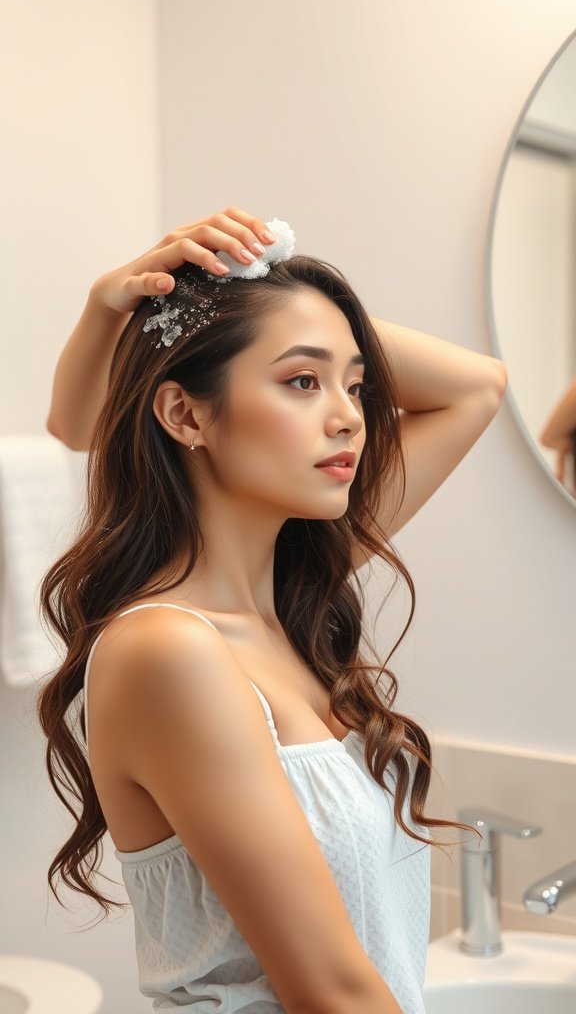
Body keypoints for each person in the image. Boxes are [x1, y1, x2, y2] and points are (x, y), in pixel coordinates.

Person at [38, 206, 507, 1014]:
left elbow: (477, 386)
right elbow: (332, 992)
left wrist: (251, 299)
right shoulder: (166, 652)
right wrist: (126, 309)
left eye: (356, 385)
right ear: (185, 415)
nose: (350, 415)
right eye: (301, 382)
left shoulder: (290, 605)